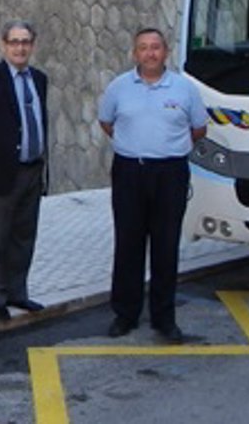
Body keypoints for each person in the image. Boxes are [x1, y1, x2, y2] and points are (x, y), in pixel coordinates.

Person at [97, 28, 207, 343]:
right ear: (135, 53)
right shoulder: (119, 87)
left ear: (166, 51)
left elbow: (199, 128)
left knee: (165, 246)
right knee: (128, 244)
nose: (150, 53)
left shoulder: (184, 88)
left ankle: (164, 318)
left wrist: (166, 147)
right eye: (143, 48)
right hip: (130, 171)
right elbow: (107, 123)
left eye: (155, 47)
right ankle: (125, 314)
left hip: (170, 173)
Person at [0, 20, 49, 322]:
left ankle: (18, 291)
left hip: (32, 170)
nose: (20, 47)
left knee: (24, 234)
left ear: (32, 45)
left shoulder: (39, 79)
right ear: (4, 45)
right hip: (2, 173)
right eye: (14, 42)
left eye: (25, 42)